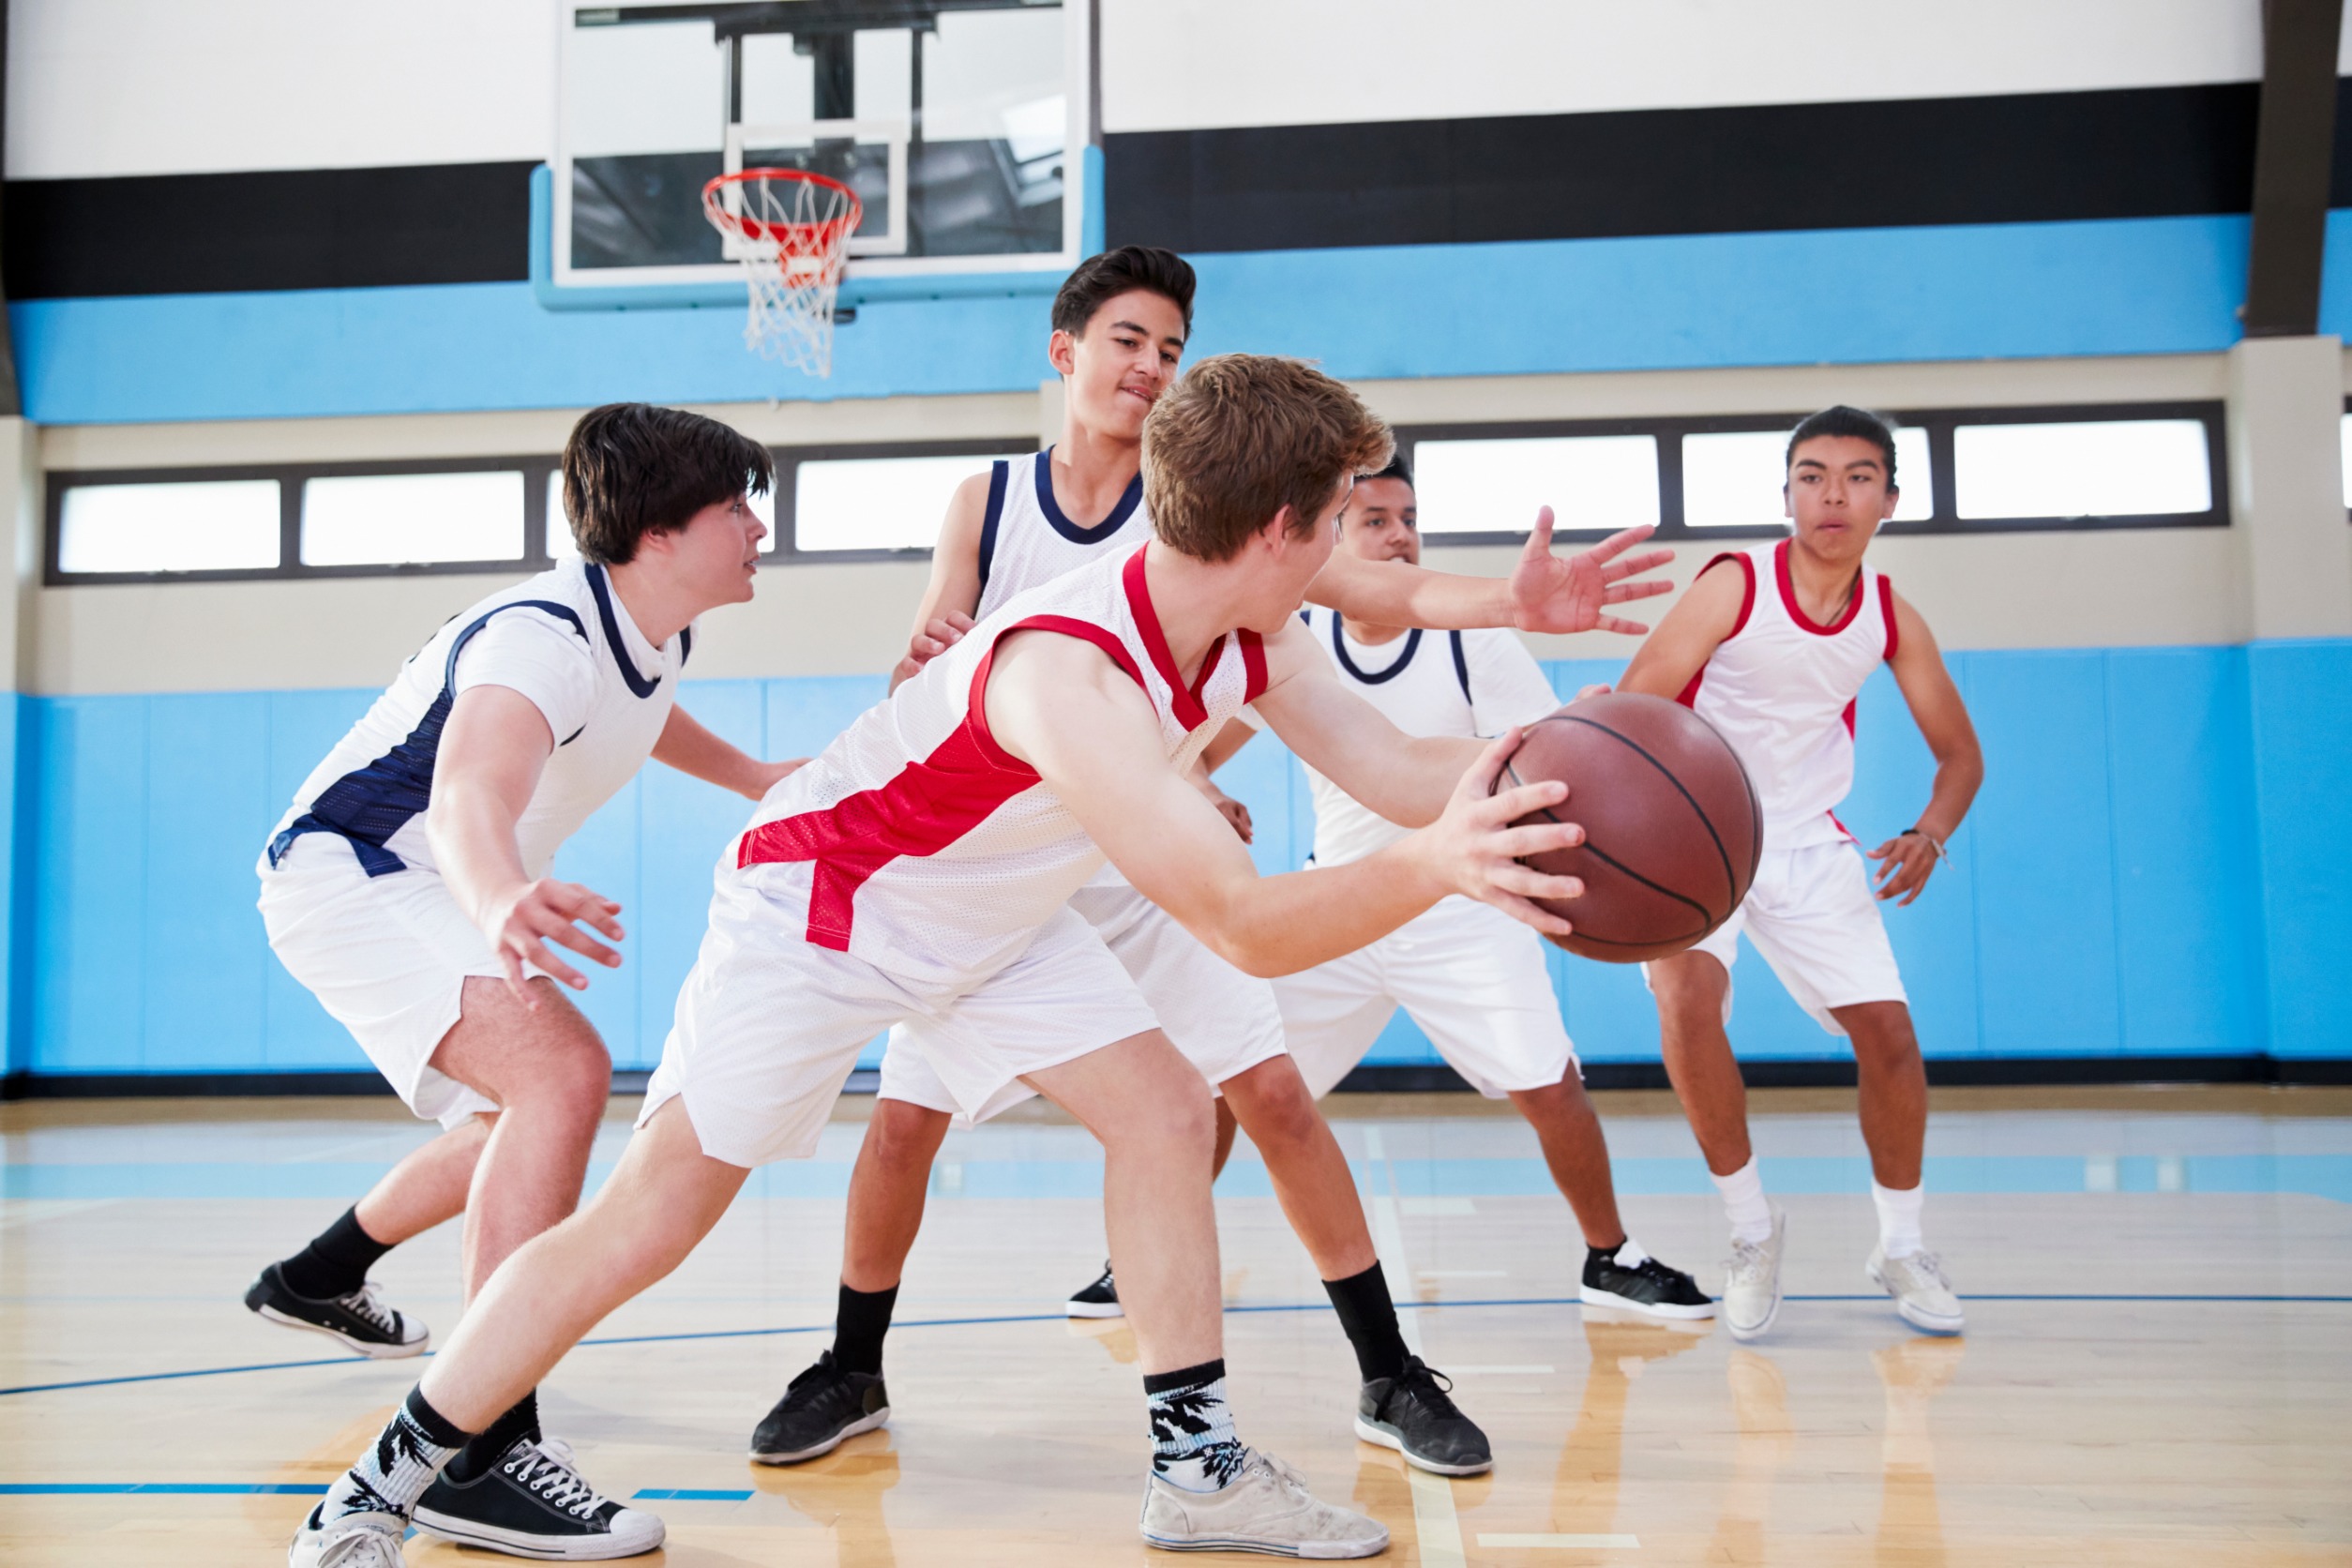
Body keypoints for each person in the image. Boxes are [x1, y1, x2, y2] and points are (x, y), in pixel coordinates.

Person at [291, 353, 1671, 1566]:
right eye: (1335, 528)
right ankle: (374, 1493)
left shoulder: (1255, 624)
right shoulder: (1068, 674)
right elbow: (1244, 920)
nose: (1350, 561)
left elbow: (1396, 763)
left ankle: (1197, 1472)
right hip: (825, 914)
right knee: (650, 1220)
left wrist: (1545, 771)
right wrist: (1440, 865)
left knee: (1163, 1106)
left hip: (992, 920)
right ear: (1279, 530)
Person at [750, 247, 1674, 1483]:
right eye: (1131, 338)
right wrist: (925, 664)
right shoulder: (991, 500)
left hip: (1146, 860)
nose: (1152, 364)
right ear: (1065, 350)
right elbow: (943, 673)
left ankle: (1385, 1374)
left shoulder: (1209, 499)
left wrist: (1508, 609)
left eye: (1174, 348)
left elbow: (1347, 586)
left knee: (1267, 1100)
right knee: (906, 1123)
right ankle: (852, 1363)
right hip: (990, 867)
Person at [255, 403, 802, 1560]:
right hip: (357, 874)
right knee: (561, 1072)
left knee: (520, 1112)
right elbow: (467, 791)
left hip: (427, 881)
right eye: (733, 507)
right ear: (658, 532)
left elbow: (639, 716)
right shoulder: (538, 636)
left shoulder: (652, 631)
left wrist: (750, 774)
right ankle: (480, 1447)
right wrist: (502, 894)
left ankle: (322, 1274)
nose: (759, 525)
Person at [1235, 454, 1711, 1320]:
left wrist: (1588, 731)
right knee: (1232, 1071)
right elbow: (1212, 728)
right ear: (1329, 539)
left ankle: (1609, 1255)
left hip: (1463, 905)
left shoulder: (1472, 638)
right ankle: (1138, 1255)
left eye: (1409, 516)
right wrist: (1200, 784)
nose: (1402, 534)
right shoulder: (1292, 634)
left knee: (1549, 1086)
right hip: (1341, 903)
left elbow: (1540, 744)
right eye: (1376, 518)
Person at [1616, 405, 1984, 1341]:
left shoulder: (1890, 615)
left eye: (1858, 477)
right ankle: (1750, 1231)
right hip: (1701, 831)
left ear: (1889, 500)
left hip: (1808, 841)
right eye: (1812, 475)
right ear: (1786, 494)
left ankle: (1900, 1242)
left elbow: (1960, 756)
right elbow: (1636, 700)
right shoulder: (1735, 585)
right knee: (1686, 1005)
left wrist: (1929, 834)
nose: (1833, 494)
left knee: (1893, 1042)